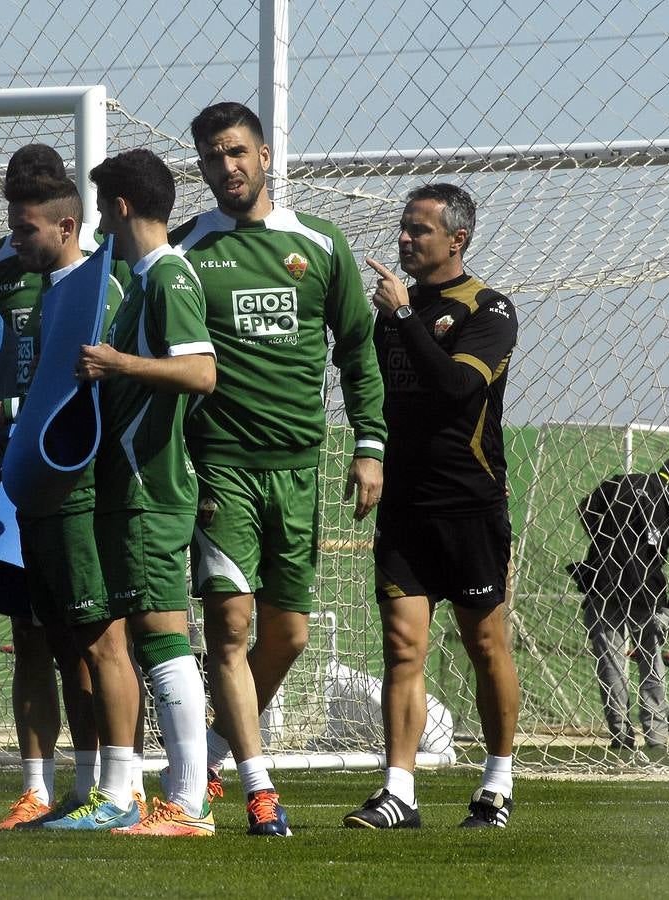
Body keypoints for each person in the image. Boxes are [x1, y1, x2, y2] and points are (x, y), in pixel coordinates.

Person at [172, 102, 386, 835]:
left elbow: (358, 351)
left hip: (299, 469)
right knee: (230, 627)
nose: (225, 167)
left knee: (288, 634)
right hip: (221, 467)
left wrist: (370, 446)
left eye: (236, 152)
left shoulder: (319, 245)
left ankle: (203, 755)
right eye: (210, 156)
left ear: (264, 156)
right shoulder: (187, 251)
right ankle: (260, 791)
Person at [0, 171, 127, 829]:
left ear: (65, 226)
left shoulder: (96, 288)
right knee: (48, 637)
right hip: (29, 484)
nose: (14, 241)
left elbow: (89, 387)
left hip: (79, 486)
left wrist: (9, 410)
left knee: (101, 640)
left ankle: (121, 788)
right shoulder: (22, 282)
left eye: (25, 228)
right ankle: (73, 789)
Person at [345, 182, 520, 830]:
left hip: (469, 508)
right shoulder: (394, 312)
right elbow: (373, 390)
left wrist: (402, 320)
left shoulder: (491, 310)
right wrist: (368, 453)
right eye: (402, 227)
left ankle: (496, 784)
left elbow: (455, 389)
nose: (404, 240)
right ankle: (399, 792)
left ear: (457, 240)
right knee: (401, 646)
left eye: (418, 230)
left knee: (484, 642)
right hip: (406, 509)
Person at [65, 148, 218, 836]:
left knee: (163, 638)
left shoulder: (168, 276)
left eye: (102, 209)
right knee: (145, 638)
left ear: (121, 206)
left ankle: (189, 803)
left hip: (154, 489)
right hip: (128, 488)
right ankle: (133, 795)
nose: (98, 225)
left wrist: (117, 362)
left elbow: (202, 373)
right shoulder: (142, 281)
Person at [572, 455, 669, 752]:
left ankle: (621, 736)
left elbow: (585, 509)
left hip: (603, 583)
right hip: (647, 592)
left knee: (611, 665)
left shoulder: (620, 483)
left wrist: (609, 546)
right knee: (652, 664)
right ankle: (656, 738)